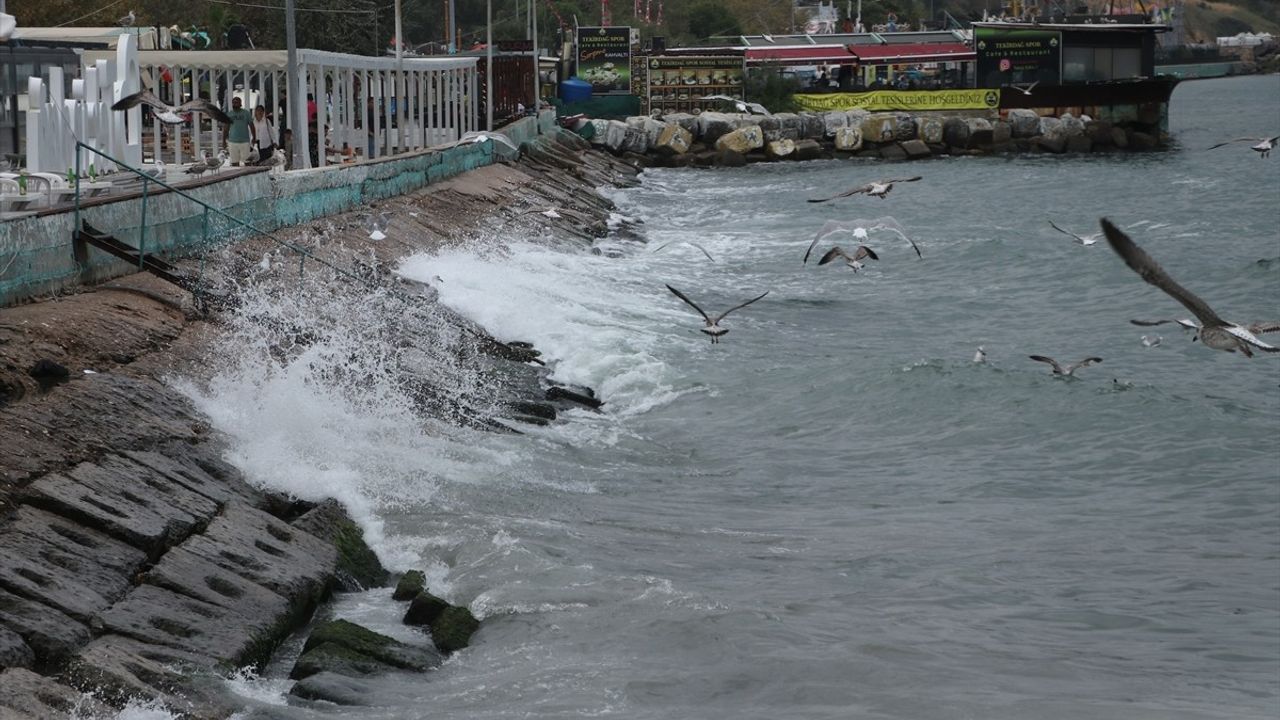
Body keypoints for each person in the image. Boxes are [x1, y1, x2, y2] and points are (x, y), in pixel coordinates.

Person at [223, 96, 255, 167]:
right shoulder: (229, 114)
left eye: (237, 102)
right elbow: (226, 128)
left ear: (241, 104)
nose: (235, 104)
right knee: (234, 163)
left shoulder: (246, 113)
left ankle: (248, 176)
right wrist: (223, 141)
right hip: (232, 142)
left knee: (247, 162)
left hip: (245, 141)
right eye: (234, 103)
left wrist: (254, 137)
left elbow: (252, 126)